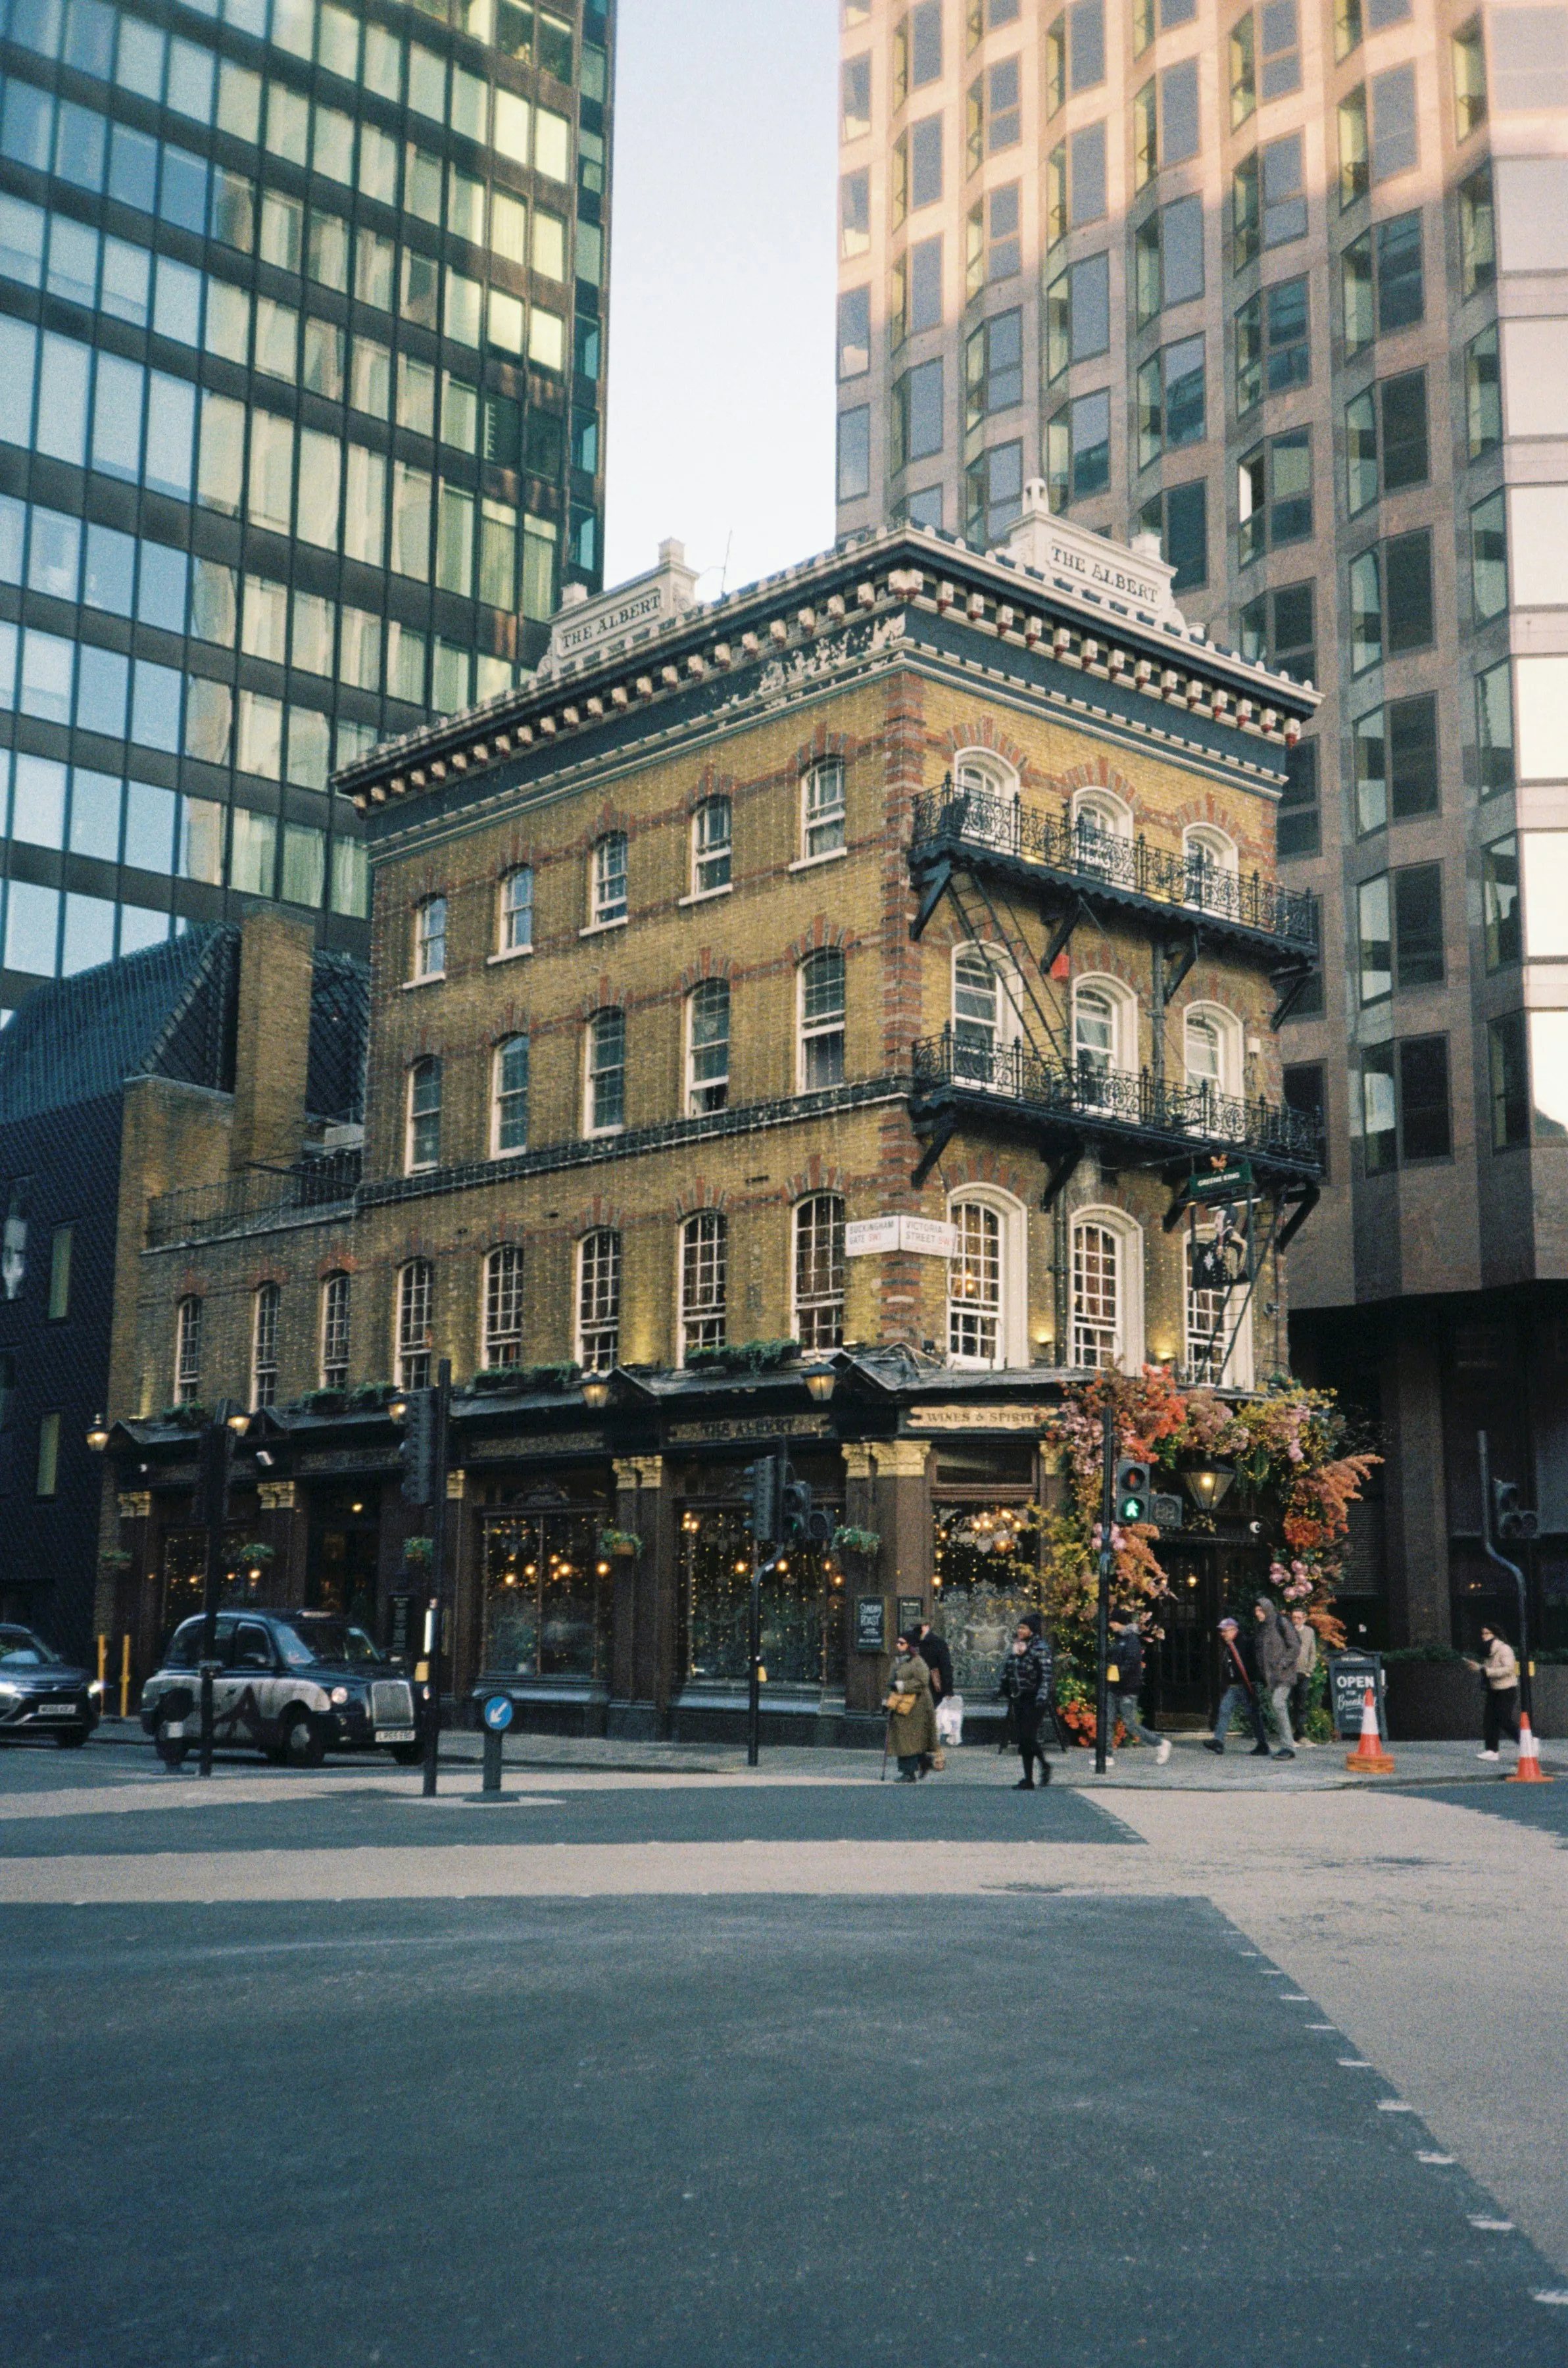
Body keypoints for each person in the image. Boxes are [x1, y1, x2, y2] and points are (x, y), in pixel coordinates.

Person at [1106, 1609, 1172, 1766]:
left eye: (1113, 1622)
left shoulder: (1131, 1640)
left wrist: (1117, 1674)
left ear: (1119, 1622)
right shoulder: (1119, 1639)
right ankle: (1107, 1756)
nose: (1111, 1625)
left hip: (1127, 1688)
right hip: (1115, 1686)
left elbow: (1131, 1663)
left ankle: (1160, 1743)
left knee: (1130, 1724)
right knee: (1107, 1720)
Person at [998, 1612, 1054, 1789]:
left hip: (1035, 1698)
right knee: (1023, 1739)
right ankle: (1028, 1778)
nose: (1019, 1631)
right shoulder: (1017, 1646)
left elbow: (1046, 1676)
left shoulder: (1040, 1649)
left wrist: (1042, 1696)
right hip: (1020, 1697)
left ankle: (1044, 1765)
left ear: (1032, 1630)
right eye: (1019, 1627)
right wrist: (1002, 1688)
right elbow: (1008, 1669)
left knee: (1028, 1736)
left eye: (1023, 1628)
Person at [1202, 1616, 1272, 1756]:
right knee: (1224, 1710)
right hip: (1235, 1685)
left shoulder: (1245, 1643)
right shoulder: (1229, 1645)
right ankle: (1218, 1742)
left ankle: (1263, 1744)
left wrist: (1254, 1682)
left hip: (1247, 1684)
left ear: (1234, 1630)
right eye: (1222, 1631)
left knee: (1253, 1714)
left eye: (1225, 1631)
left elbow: (1254, 1663)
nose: (1222, 1634)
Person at [884, 1629, 938, 1782]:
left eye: (902, 1643)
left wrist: (901, 1686)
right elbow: (890, 1682)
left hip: (917, 1706)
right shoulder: (899, 1661)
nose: (898, 1645)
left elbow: (922, 1682)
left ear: (910, 1645)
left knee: (907, 1739)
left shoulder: (918, 1662)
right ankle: (923, 1761)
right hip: (901, 1704)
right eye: (897, 1642)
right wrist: (886, 1702)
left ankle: (908, 1773)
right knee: (908, 1739)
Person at [1255, 1594, 1302, 1760]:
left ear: (1268, 1610)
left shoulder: (1281, 1623)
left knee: (1278, 1704)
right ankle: (1285, 1745)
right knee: (1277, 1707)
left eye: (1260, 1610)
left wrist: (1282, 1664)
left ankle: (1288, 1747)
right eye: (1256, 1611)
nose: (1257, 1613)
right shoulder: (1261, 1628)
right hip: (1272, 1677)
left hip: (1285, 1674)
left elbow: (1295, 1647)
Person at [1469, 1623, 1521, 1762]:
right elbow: (1488, 1669)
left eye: (1487, 1633)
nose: (1483, 1636)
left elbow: (1509, 1669)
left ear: (1495, 1635)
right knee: (1489, 1720)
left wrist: (1486, 1671)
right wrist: (1479, 1667)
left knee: (1504, 1719)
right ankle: (1492, 1751)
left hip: (1507, 1689)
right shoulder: (1488, 1651)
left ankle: (1526, 1742)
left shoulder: (1504, 1649)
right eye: (1482, 1633)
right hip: (1493, 1688)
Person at [1288, 1606, 1317, 1744]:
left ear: (1304, 1619)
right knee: (1289, 1703)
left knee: (1300, 1704)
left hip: (1303, 1673)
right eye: (1294, 1618)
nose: (1296, 1620)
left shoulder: (1309, 1632)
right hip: (1289, 1673)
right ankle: (1289, 1735)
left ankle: (1300, 1734)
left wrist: (1309, 1670)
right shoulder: (1288, 1631)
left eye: (1299, 1618)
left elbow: (1312, 1652)